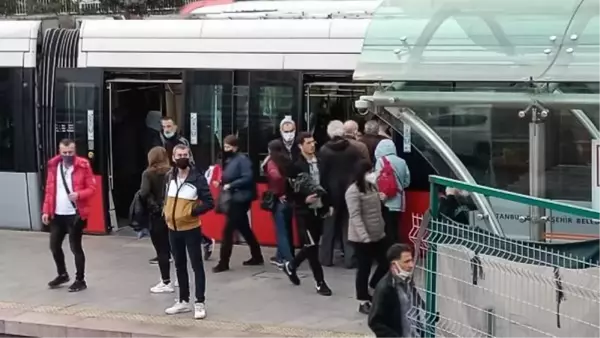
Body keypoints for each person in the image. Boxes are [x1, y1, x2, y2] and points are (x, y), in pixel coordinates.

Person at [148, 116, 215, 264]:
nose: (166, 129)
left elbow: (190, 162)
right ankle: (167, 253)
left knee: (180, 217)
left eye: (169, 126)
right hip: (168, 179)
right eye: (164, 126)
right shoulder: (158, 141)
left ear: (175, 127)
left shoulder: (182, 142)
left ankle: (204, 240)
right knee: (169, 217)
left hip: (180, 179)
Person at [163, 144, 214, 319]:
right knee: (179, 264)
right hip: (172, 228)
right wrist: (166, 212)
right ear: (173, 157)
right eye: (179, 155)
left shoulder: (197, 178)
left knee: (196, 266)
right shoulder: (170, 176)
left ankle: (199, 302)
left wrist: (191, 212)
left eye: (185, 154)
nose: (182, 157)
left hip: (191, 228)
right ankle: (183, 301)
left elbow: (209, 202)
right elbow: (167, 197)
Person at [42, 139, 96, 292]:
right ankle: (62, 274)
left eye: (70, 152)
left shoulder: (82, 166)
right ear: (60, 152)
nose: (67, 155)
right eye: (64, 153)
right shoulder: (54, 166)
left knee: (75, 247)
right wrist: (46, 210)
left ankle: (80, 279)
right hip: (57, 213)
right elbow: (49, 190)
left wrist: (79, 194)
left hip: (75, 214)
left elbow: (92, 188)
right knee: (54, 246)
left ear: (75, 151)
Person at [282, 132, 333, 296]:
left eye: (313, 142)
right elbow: (288, 192)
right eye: (308, 143)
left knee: (312, 245)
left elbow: (328, 184)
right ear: (300, 146)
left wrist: (329, 204)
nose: (312, 145)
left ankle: (291, 266)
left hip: (320, 209)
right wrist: (304, 199)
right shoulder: (294, 166)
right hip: (303, 211)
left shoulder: (322, 162)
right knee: (312, 248)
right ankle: (320, 282)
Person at [212, 135, 264, 273]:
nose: (226, 149)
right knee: (244, 228)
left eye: (229, 147)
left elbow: (247, 177)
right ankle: (257, 256)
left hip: (240, 199)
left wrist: (230, 185)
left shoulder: (242, 160)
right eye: (225, 146)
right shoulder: (231, 159)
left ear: (235, 147)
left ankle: (224, 262)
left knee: (228, 231)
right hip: (235, 198)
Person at [345, 160, 389, 314]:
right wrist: (364, 237)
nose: (372, 174)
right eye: (369, 172)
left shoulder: (372, 186)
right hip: (362, 238)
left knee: (386, 262)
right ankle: (363, 300)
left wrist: (380, 198)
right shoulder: (352, 191)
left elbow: (376, 209)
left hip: (378, 233)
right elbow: (355, 216)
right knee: (363, 269)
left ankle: (372, 288)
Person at [318, 120, 363, 268]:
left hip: (331, 193)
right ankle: (350, 259)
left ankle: (326, 258)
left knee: (329, 227)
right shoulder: (353, 149)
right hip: (349, 191)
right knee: (347, 226)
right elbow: (359, 170)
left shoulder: (324, 150)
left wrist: (324, 196)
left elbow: (322, 175)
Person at [139, 146, 174, 294]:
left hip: (157, 215)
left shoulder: (148, 173)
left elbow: (144, 192)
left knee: (161, 250)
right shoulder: (172, 172)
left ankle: (166, 281)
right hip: (172, 213)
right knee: (175, 248)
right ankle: (179, 279)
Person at [368, 243, 422, 338]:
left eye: (412, 260)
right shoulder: (385, 288)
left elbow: (417, 302)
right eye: (406, 261)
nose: (411, 265)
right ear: (394, 264)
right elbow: (374, 322)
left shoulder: (408, 281)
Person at [263, 139, 294, 268]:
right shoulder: (288, 159)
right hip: (290, 200)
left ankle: (290, 261)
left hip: (280, 201)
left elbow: (276, 177)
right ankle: (280, 256)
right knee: (287, 229)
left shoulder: (272, 162)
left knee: (281, 232)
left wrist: (279, 193)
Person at [374, 139, 411, 244]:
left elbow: (377, 180)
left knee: (385, 229)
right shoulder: (402, 161)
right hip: (399, 201)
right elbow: (407, 182)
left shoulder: (380, 161)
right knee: (395, 229)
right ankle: (396, 253)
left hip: (385, 201)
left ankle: (387, 255)